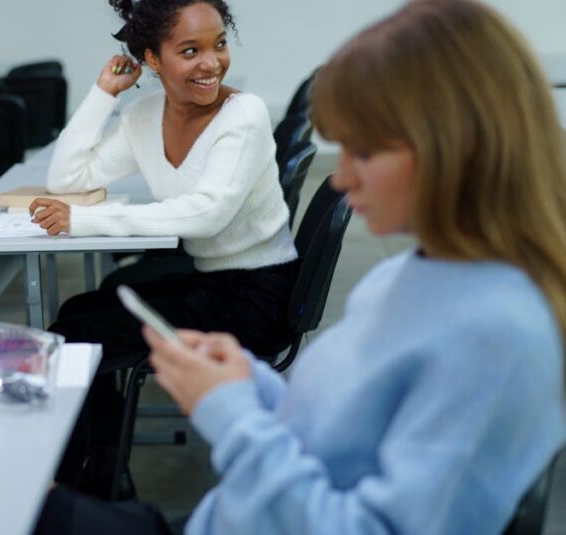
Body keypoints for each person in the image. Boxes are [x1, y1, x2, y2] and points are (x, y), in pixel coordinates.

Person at [33, 0, 566, 533]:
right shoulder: (400, 279)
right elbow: (334, 429)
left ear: (455, 145)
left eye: (363, 151)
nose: (341, 178)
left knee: (31, 508)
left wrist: (231, 413)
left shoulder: (492, 337)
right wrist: (248, 385)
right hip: (225, 520)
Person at [32, 0, 298, 497]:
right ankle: (101, 471)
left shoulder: (244, 114)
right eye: (190, 51)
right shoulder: (144, 115)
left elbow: (206, 213)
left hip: (256, 297)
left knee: (74, 335)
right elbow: (67, 179)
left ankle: (84, 484)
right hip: (211, 280)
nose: (211, 63)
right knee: (78, 314)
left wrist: (85, 219)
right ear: (152, 59)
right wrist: (103, 93)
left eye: (219, 45)